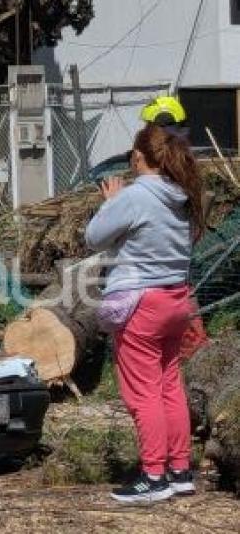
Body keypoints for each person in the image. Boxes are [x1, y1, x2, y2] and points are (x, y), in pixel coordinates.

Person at [85, 123, 204, 504]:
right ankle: (180, 470)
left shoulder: (135, 196)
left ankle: (153, 476)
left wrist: (110, 201)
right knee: (169, 385)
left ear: (138, 157)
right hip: (176, 300)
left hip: (141, 303)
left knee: (143, 393)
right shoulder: (180, 195)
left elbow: (93, 237)